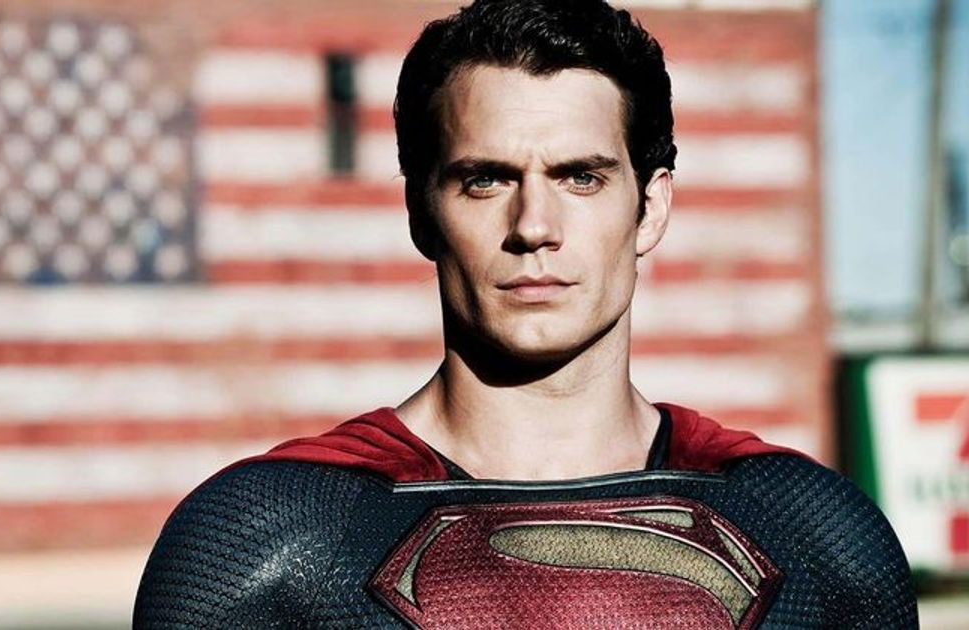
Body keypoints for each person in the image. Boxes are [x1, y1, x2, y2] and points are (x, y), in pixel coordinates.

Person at [134, 0, 917, 627]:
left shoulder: (814, 534)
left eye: (581, 178)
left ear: (650, 208)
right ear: (420, 212)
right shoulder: (263, 541)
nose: (534, 226)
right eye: (485, 180)